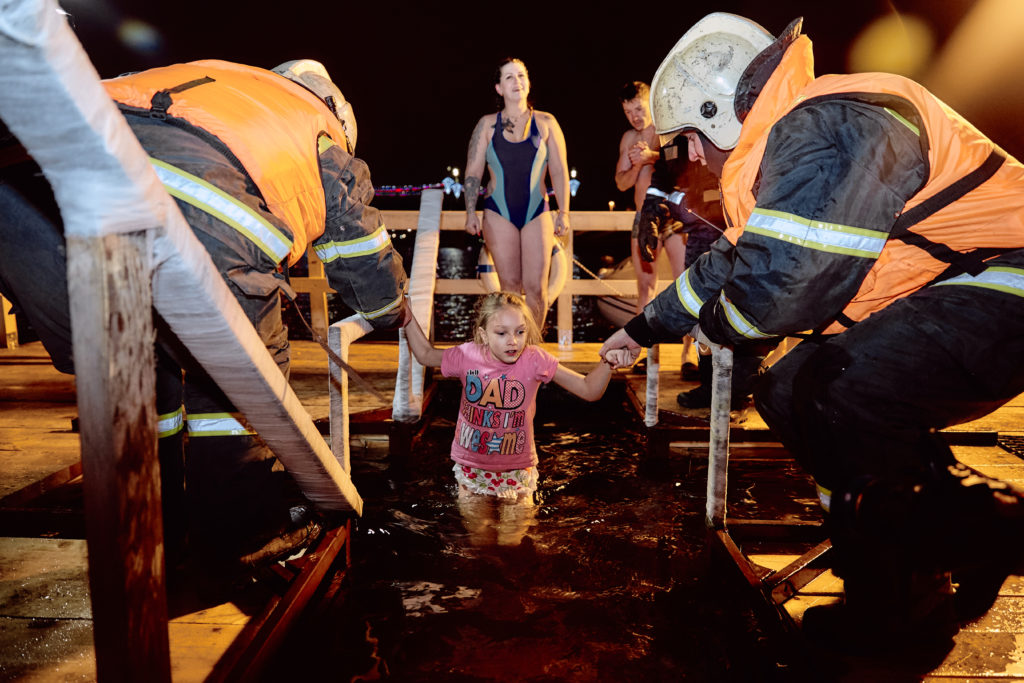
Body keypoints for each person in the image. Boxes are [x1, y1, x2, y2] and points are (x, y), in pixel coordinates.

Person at [601, 12, 1024, 652]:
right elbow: (726, 267)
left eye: (689, 137)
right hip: (966, 292)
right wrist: (642, 330)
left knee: (845, 388)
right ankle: (891, 577)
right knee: (786, 391)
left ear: (719, 111)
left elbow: (779, 291)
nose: (689, 155)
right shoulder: (788, 154)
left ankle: (982, 533)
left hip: (1007, 285)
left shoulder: (829, 123)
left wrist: (719, 328)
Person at [0, 59, 408, 575]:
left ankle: (159, 524)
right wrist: (392, 312)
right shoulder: (315, 123)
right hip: (190, 218)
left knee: (147, 372)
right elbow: (363, 254)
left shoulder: (219, 80)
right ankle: (238, 536)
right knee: (238, 386)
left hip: (29, 196)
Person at [403, 291, 630, 546]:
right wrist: (406, 313)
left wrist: (607, 363)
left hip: (518, 471)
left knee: (510, 544)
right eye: (501, 333)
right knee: (481, 540)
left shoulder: (535, 360)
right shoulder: (467, 356)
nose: (513, 341)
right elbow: (424, 354)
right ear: (483, 335)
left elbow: (589, 390)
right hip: (472, 469)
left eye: (520, 332)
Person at [464, 58, 571, 328]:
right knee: (509, 288)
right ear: (499, 88)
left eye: (521, 76)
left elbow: (559, 171)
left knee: (537, 289)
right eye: (509, 77)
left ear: (529, 82)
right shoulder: (486, 125)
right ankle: (515, 353)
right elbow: (473, 172)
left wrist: (564, 213)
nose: (516, 82)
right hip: (499, 212)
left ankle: (534, 353)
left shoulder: (547, 122)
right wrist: (469, 213)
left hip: (537, 211)